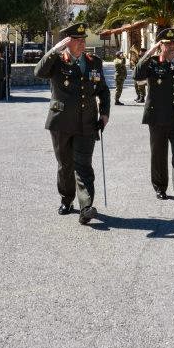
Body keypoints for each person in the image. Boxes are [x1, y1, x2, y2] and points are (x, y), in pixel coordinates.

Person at [34, 22, 111, 225]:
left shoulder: (94, 62)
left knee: (83, 165)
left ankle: (86, 206)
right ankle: (66, 199)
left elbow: (103, 90)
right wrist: (53, 50)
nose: (81, 43)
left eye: (83, 40)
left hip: (87, 123)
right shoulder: (58, 61)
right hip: (61, 122)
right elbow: (39, 72)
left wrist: (104, 114)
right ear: (67, 42)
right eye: (76, 40)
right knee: (65, 165)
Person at [134, 28, 174, 205]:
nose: (171, 46)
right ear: (159, 44)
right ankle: (160, 187)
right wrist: (150, 52)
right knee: (159, 155)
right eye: (167, 43)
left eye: (173, 43)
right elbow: (137, 75)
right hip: (157, 117)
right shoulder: (153, 63)